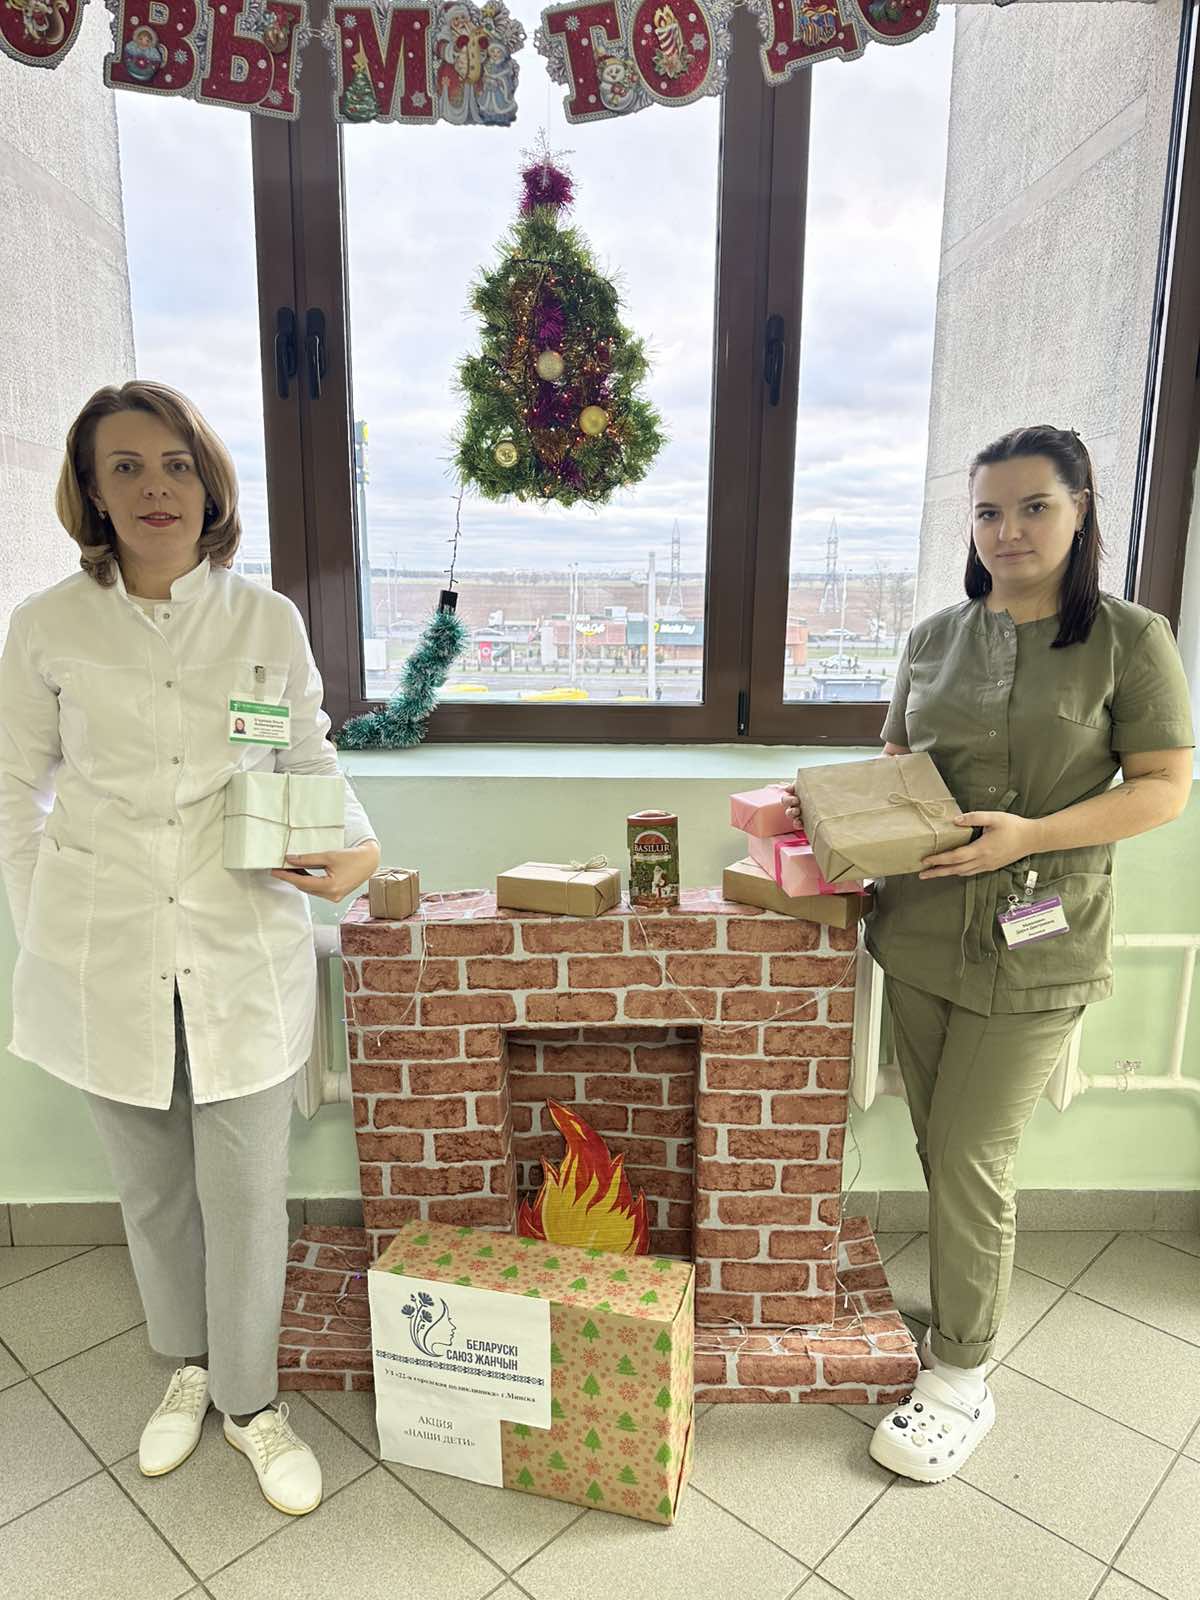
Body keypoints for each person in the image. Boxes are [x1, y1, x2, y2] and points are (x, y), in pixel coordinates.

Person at [0, 381, 381, 1516]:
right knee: (153, 1189)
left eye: (176, 464)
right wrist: (43, 916)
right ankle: (189, 1366)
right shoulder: (48, 627)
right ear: (91, 490)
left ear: (209, 484)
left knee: (248, 1192)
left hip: (238, 942)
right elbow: (12, 787)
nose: (154, 487)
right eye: (125, 466)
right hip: (102, 950)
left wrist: (359, 848)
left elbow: (307, 756)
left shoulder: (265, 621)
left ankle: (253, 1405)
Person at [785, 424, 1193, 1483]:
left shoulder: (1130, 638)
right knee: (942, 1140)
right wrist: (832, 810)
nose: (1009, 530)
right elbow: (897, 764)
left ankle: (961, 1373)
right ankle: (965, 1301)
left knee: (971, 1152)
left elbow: (1163, 788)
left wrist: (1032, 836)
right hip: (920, 930)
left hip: (1041, 933)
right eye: (988, 511)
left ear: (1081, 511)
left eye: (1034, 507)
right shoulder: (933, 639)